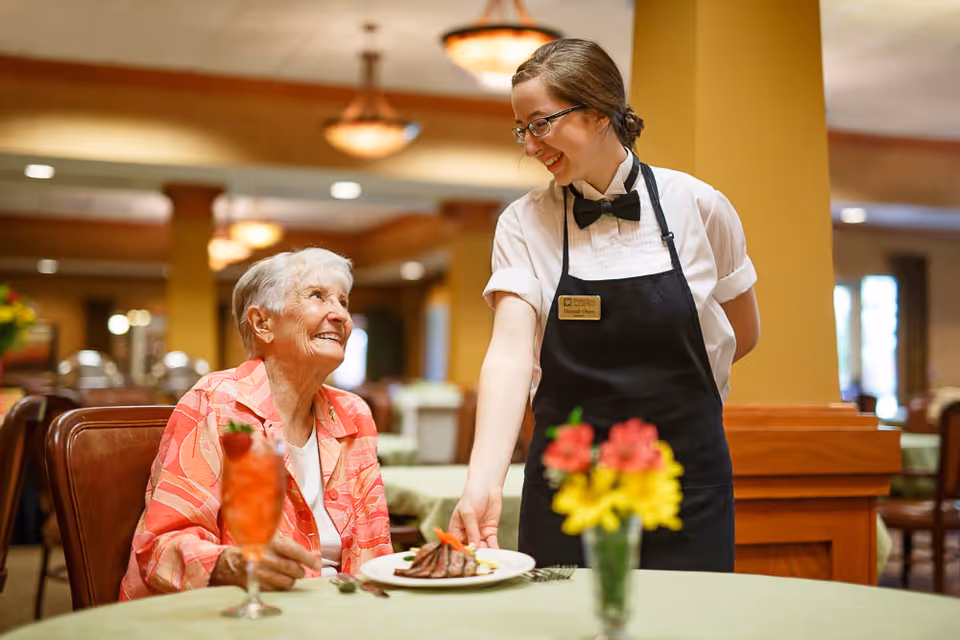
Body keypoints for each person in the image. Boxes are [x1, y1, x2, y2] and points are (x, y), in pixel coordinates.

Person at [449, 39, 760, 570]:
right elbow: (509, 354)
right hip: (568, 488)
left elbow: (742, 333)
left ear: (596, 112)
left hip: (686, 481)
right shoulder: (523, 223)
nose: (530, 146)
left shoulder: (700, 207)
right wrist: (482, 482)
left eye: (541, 123)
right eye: (521, 129)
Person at [120, 248, 392, 599]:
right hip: (241, 609)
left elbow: (376, 549)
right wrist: (233, 565)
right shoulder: (216, 404)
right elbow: (162, 547)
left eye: (343, 301)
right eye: (317, 296)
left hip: (343, 612)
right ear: (263, 323)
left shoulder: (353, 413)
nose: (340, 315)